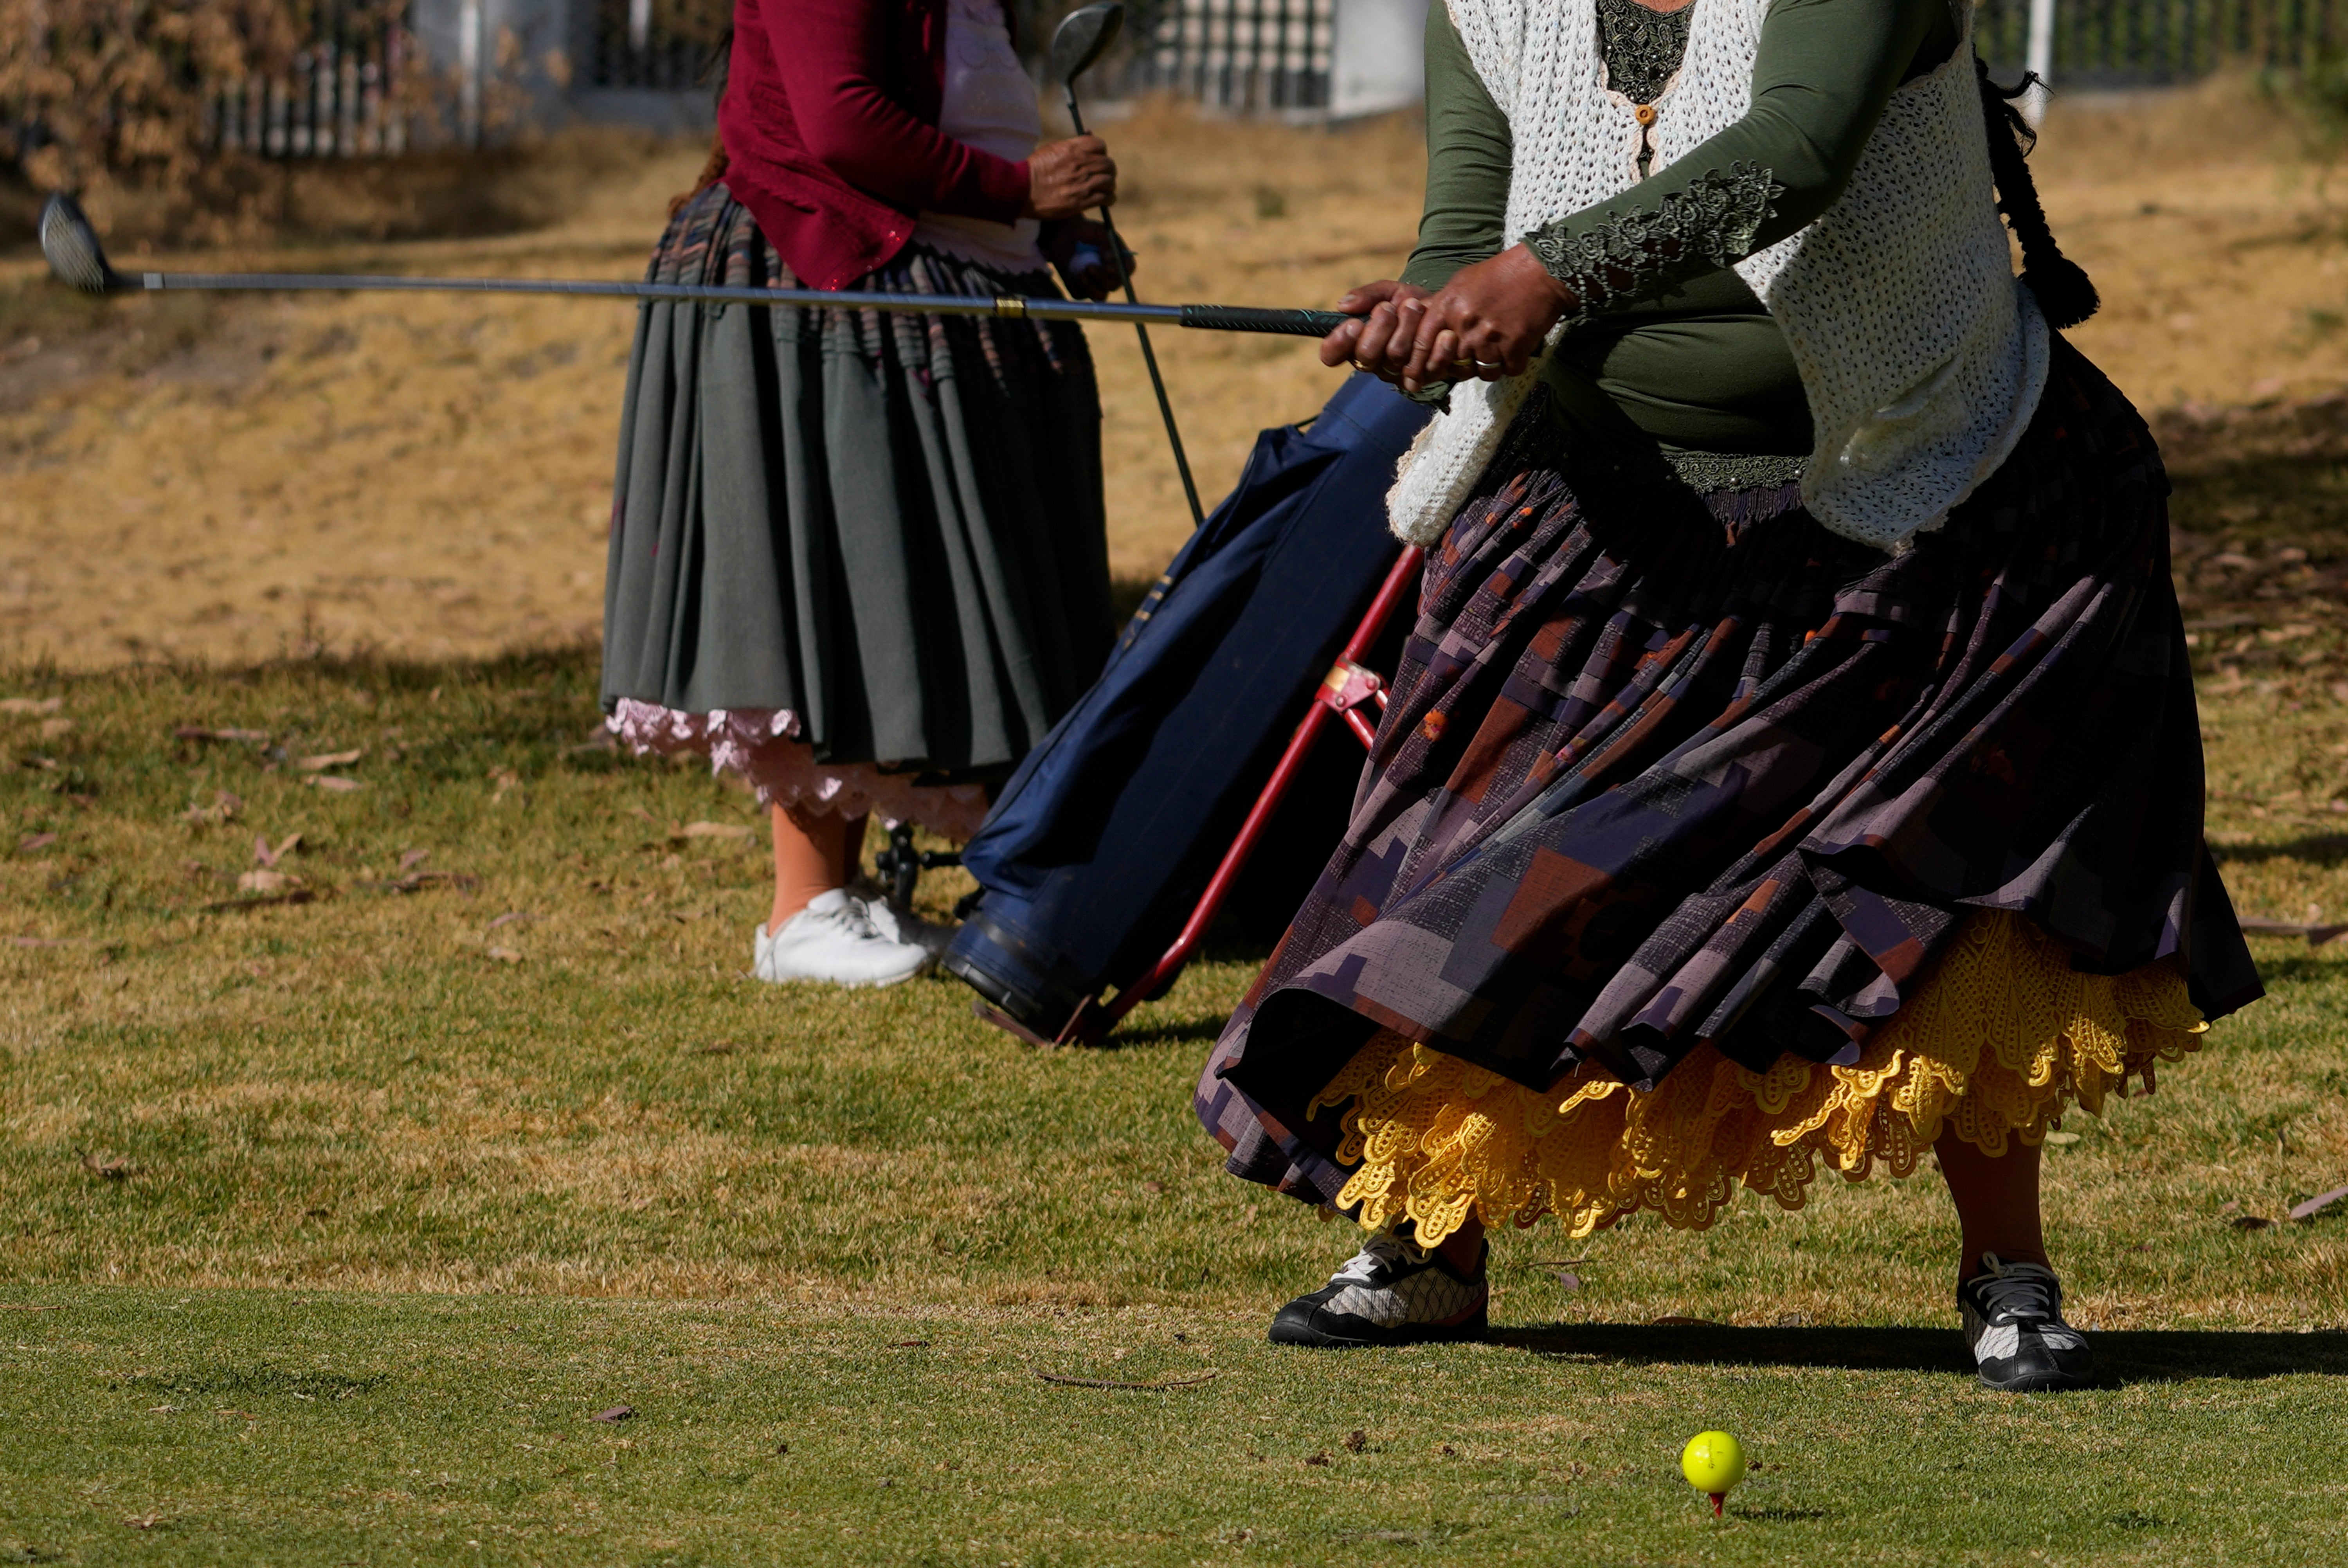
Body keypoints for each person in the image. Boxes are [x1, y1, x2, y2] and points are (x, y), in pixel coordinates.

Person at [1193, 0, 2263, 1392]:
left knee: (1944, 890)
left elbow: (1793, 150)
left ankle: (2010, 1268)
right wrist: (1435, 308)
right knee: (1468, 859)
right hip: (1601, 501)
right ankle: (1429, 1231)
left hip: (1931, 491)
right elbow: (1475, 201)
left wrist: (1544, 275)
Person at [602, 0, 1125, 986]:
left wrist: (1045, 228)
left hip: (926, 277)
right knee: (838, 579)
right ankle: (802, 910)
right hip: (819, 276)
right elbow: (842, 123)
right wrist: (1021, 187)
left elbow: (946, 113)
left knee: (895, 593)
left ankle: (845, 902)